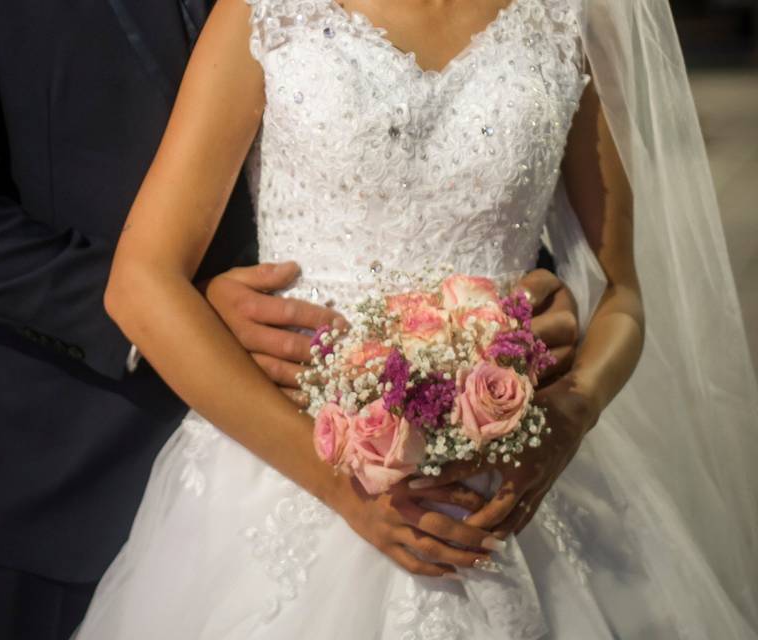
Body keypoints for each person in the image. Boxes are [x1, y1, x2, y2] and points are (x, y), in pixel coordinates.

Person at [0, 0, 580, 637]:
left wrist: (504, 302)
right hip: (55, 471)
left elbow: (436, 124)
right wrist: (181, 304)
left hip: (384, 465)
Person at [73, 0, 758, 638]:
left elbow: (623, 291)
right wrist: (340, 489)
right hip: (290, 464)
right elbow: (140, 283)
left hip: (512, 475)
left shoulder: (566, 19)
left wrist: (569, 416)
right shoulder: (268, 13)